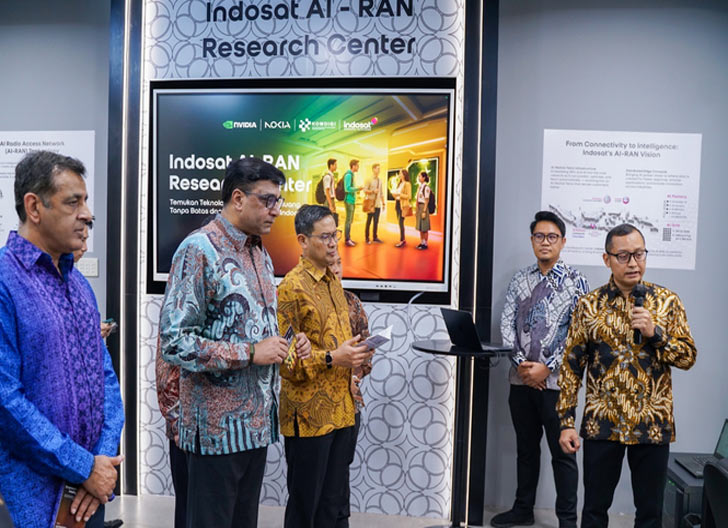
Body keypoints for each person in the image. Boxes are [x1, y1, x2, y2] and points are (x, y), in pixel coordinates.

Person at [159, 157, 311, 528]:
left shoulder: (259, 253)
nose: (276, 210)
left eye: (278, 200)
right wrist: (251, 353)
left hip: (255, 429)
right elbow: (175, 341)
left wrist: (290, 342)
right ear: (238, 198)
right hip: (215, 434)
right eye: (267, 200)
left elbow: (254, 328)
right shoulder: (199, 249)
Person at [0, 150, 124, 528]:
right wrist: (83, 467)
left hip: (91, 494)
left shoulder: (79, 284)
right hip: (35, 499)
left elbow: (105, 377)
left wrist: (101, 465)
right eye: (73, 202)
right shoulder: (5, 282)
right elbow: (5, 400)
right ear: (34, 207)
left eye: (85, 202)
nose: (87, 214)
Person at [557, 223, 697, 528]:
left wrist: (655, 333)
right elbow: (571, 366)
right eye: (623, 256)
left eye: (639, 254)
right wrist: (566, 422)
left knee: (650, 514)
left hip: (652, 423)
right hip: (602, 423)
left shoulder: (667, 302)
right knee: (594, 511)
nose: (633, 263)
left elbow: (687, 357)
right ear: (607, 259)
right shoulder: (588, 306)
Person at [277, 204, 373, 527]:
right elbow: (287, 361)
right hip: (309, 417)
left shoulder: (333, 281)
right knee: (305, 509)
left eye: (336, 235)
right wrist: (333, 358)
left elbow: (337, 342)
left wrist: (354, 356)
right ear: (303, 241)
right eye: (325, 237)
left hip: (342, 412)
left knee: (333, 508)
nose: (333, 243)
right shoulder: (291, 288)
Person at [493, 211, 589, 528]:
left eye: (551, 237)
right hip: (520, 381)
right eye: (539, 236)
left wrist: (547, 368)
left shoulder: (576, 282)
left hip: (558, 386)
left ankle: (567, 521)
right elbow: (507, 323)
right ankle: (523, 510)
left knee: (563, 454)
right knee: (526, 450)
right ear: (532, 240)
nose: (545, 242)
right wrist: (522, 366)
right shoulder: (520, 279)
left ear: (562, 241)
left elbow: (578, 334)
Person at [329, 251, 374, 524]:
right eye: (330, 264)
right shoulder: (302, 300)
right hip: (316, 405)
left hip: (350, 402)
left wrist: (356, 375)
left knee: (340, 470)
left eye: (339, 263)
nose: (336, 269)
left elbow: (366, 350)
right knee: (317, 476)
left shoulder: (352, 303)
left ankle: (340, 520)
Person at [363, 163, 384, 244]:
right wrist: (372, 191)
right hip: (371, 204)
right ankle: (367, 238)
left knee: (376, 222)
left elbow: (381, 193)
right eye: (377, 168)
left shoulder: (380, 180)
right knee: (369, 221)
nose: (379, 170)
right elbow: (365, 190)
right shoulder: (369, 179)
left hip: (377, 204)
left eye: (379, 168)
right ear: (373, 169)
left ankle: (375, 237)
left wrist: (383, 203)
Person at [343, 159, 361, 247]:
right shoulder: (348, 175)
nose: (358, 167)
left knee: (350, 220)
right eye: (357, 165)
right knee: (348, 220)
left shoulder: (352, 175)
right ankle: (347, 239)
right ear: (353, 166)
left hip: (352, 201)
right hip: (348, 201)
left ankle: (348, 238)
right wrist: (358, 189)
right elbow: (347, 188)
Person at [392, 168, 412, 248]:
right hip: (397, 203)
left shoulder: (407, 184)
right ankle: (402, 239)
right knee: (399, 222)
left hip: (403, 205)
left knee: (401, 222)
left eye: (400, 173)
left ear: (404, 175)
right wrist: (395, 195)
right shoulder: (400, 183)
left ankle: (402, 240)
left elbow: (409, 196)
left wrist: (399, 195)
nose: (399, 175)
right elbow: (397, 195)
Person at [415, 171, 432, 250]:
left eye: (420, 176)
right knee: (420, 226)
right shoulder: (420, 187)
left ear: (424, 178)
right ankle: (421, 242)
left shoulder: (426, 187)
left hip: (423, 207)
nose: (419, 178)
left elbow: (426, 200)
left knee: (424, 227)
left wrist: (424, 211)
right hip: (419, 207)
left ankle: (425, 243)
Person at [322, 158, 338, 225]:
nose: (336, 166)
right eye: (335, 165)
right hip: (329, 200)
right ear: (331, 165)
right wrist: (330, 205)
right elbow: (327, 191)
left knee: (331, 219)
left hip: (331, 199)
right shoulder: (327, 177)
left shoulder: (331, 176)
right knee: (327, 220)